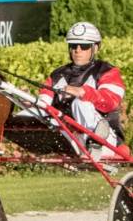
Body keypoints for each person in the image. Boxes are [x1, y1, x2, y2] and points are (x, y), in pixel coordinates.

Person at [37, 21, 129, 158]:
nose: (78, 50)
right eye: (73, 45)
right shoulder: (57, 75)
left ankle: (94, 145)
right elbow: (44, 102)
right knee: (32, 110)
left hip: (108, 141)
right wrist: (32, 104)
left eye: (84, 46)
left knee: (81, 103)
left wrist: (82, 92)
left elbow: (111, 102)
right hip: (72, 139)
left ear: (96, 48)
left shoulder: (108, 71)